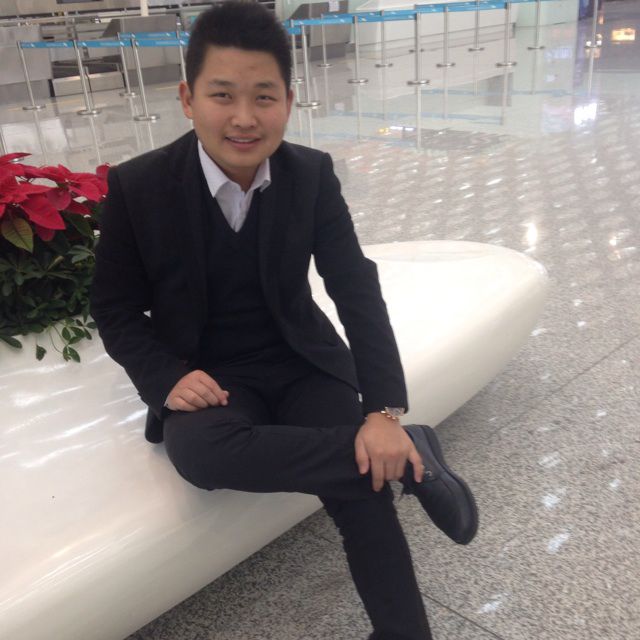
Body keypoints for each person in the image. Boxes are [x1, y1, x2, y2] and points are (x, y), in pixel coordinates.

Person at [90, 2, 478, 638]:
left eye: (263, 97)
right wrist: (164, 377)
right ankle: (418, 456)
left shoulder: (311, 175)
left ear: (289, 102)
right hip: (208, 374)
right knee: (204, 454)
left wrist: (383, 412)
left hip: (301, 361)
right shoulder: (140, 186)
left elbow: (355, 289)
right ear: (188, 99)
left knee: (363, 485)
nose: (244, 118)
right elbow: (114, 307)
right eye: (222, 95)